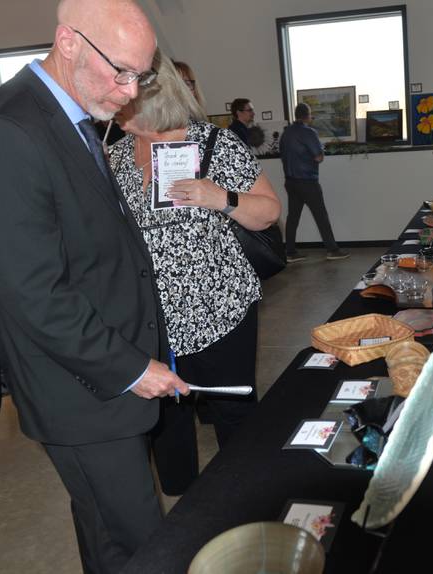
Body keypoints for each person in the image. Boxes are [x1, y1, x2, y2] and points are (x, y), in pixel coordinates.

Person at [0, 1, 190, 573]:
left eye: (141, 76)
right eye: (120, 71)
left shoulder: (67, 112)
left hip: (101, 368)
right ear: (67, 42)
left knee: (109, 534)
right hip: (78, 387)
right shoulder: (6, 131)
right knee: (146, 542)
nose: (130, 92)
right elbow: (32, 294)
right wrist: (129, 367)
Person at [110, 50, 281, 495]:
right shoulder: (114, 157)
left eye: (122, 97)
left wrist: (219, 197)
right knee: (166, 427)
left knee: (234, 415)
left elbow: (267, 213)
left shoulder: (214, 145)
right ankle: (184, 517)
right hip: (150, 324)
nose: (111, 105)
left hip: (219, 310)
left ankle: (245, 500)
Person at [279, 102, 349, 262]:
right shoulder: (309, 132)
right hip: (307, 182)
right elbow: (319, 157)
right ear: (307, 116)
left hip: (290, 182)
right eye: (310, 114)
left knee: (293, 217)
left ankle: (290, 252)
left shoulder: (286, 133)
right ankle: (332, 250)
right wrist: (319, 152)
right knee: (321, 216)